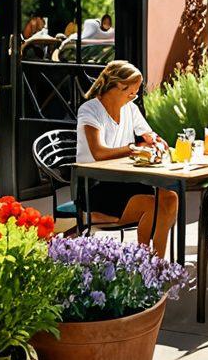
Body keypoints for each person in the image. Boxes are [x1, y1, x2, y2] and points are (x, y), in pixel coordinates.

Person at [75, 61, 178, 256]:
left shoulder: (129, 108)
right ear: (113, 86)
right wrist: (135, 148)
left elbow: (148, 134)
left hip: (125, 181)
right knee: (153, 206)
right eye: (129, 91)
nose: (133, 97)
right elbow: (99, 153)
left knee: (170, 198)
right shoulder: (90, 110)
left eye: (135, 92)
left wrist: (155, 140)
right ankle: (145, 263)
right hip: (97, 186)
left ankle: (155, 263)